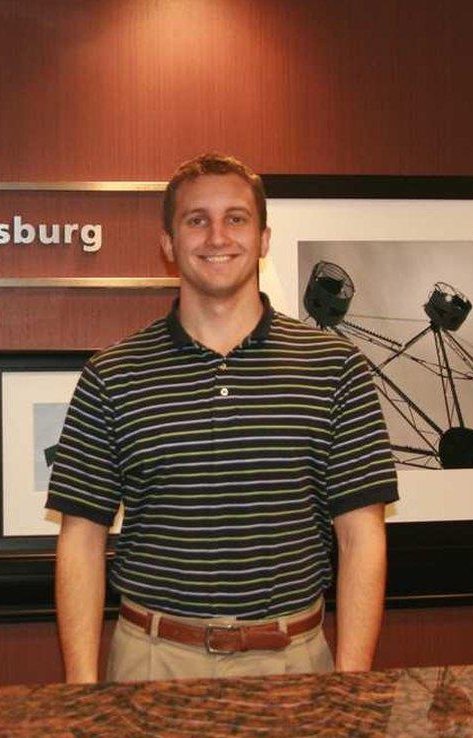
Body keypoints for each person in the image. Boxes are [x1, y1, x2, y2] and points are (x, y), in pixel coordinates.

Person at [48, 153, 398, 683]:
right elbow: (80, 538)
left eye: (236, 219)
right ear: (168, 243)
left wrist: (351, 682)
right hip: (151, 663)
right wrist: (79, 686)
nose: (217, 237)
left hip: (294, 666)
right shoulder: (111, 375)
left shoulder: (336, 369)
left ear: (263, 239)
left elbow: (361, 536)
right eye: (196, 220)